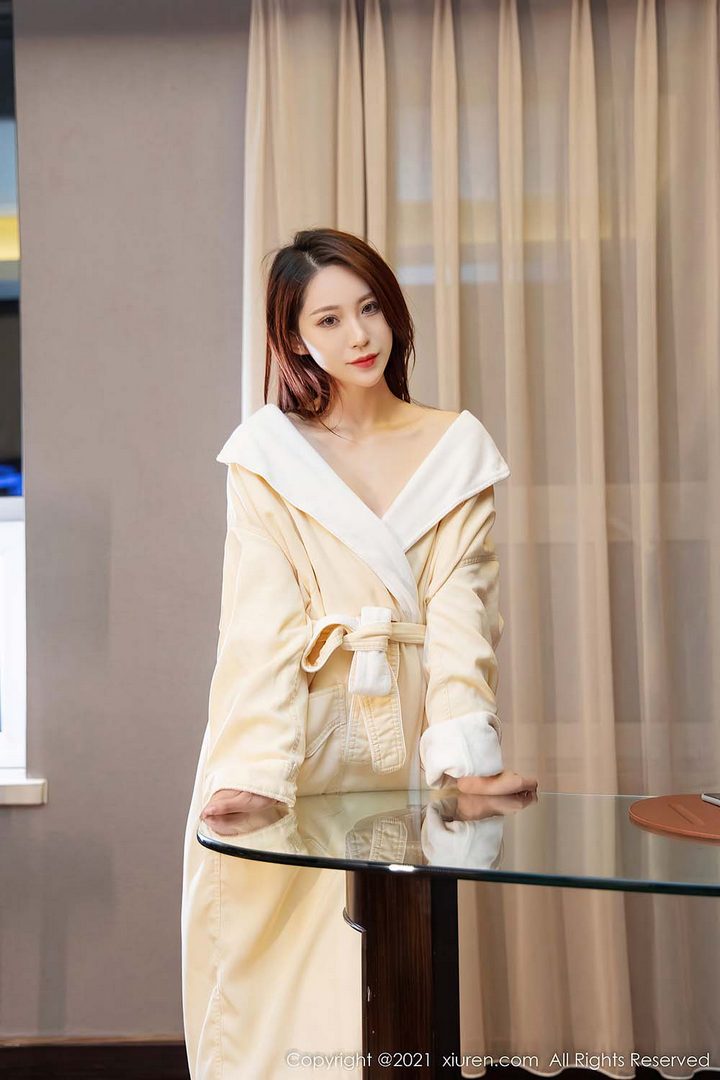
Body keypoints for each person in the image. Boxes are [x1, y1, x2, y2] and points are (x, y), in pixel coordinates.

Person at [181, 226, 538, 1079]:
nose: (359, 335)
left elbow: (462, 612)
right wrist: (255, 771)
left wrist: (466, 757)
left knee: (383, 984)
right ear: (295, 338)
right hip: (285, 740)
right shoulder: (268, 455)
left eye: (370, 308)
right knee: (267, 987)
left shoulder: (454, 449)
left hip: (398, 740)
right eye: (329, 319)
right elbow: (260, 623)